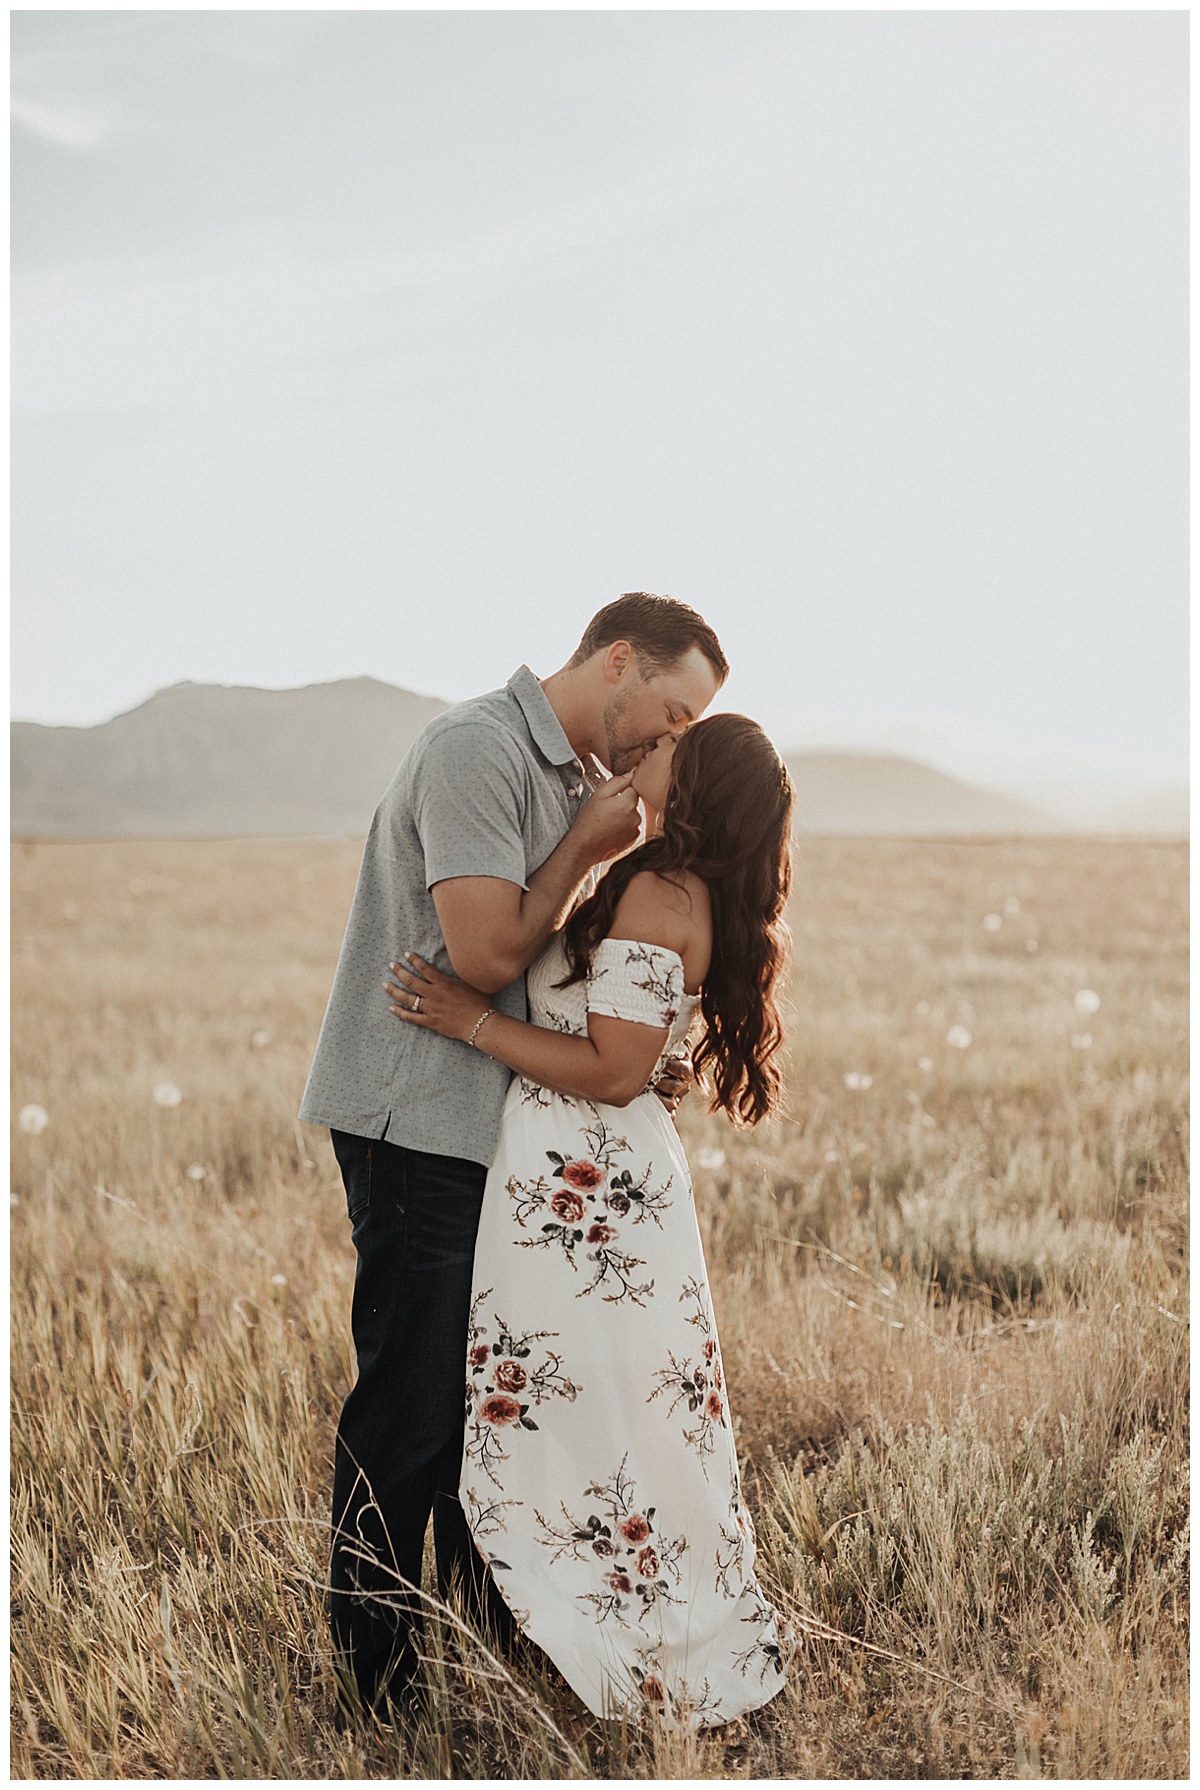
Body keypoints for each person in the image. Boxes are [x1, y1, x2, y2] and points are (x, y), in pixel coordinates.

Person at [298, 593, 728, 1716]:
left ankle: (495, 1653)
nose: (667, 740)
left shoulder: (583, 786)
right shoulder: (479, 748)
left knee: (491, 1404)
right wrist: (586, 847)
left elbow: (559, 971)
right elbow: (486, 949)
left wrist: (634, 1053)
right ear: (619, 662)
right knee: (413, 1406)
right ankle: (374, 1688)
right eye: (671, 711)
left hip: (502, 1133)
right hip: (418, 1114)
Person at [384, 711, 795, 1729]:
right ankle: (593, 1604)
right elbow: (640, 1049)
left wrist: (469, 1018)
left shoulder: (660, 890)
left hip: (585, 1179)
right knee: (618, 1402)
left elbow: (613, 1072)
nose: (650, 747)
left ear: (691, 778)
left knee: (576, 1397)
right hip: (602, 1183)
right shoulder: (678, 884)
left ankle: (620, 1629)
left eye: (672, 744)